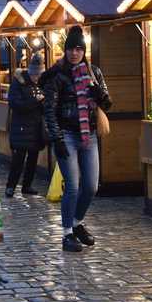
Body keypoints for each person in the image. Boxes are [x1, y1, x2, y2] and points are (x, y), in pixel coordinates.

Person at [43, 26, 112, 252]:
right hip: (67, 135)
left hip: (89, 134)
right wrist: (57, 138)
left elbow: (108, 103)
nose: (74, 53)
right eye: (71, 49)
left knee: (91, 186)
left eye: (79, 49)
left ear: (84, 50)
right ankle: (66, 234)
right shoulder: (57, 74)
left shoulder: (93, 72)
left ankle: (77, 222)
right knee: (72, 186)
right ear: (65, 50)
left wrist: (98, 94)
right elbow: (49, 110)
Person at [5, 53, 46, 197]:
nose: (37, 78)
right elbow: (15, 104)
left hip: (36, 128)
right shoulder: (18, 82)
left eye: (39, 75)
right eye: (35, 75)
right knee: (18, 160)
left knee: (33, 159)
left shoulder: (42, 83)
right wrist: (36, 101)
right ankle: (10, 186)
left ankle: (27, 185)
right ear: (30, 72)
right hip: (21, 127)